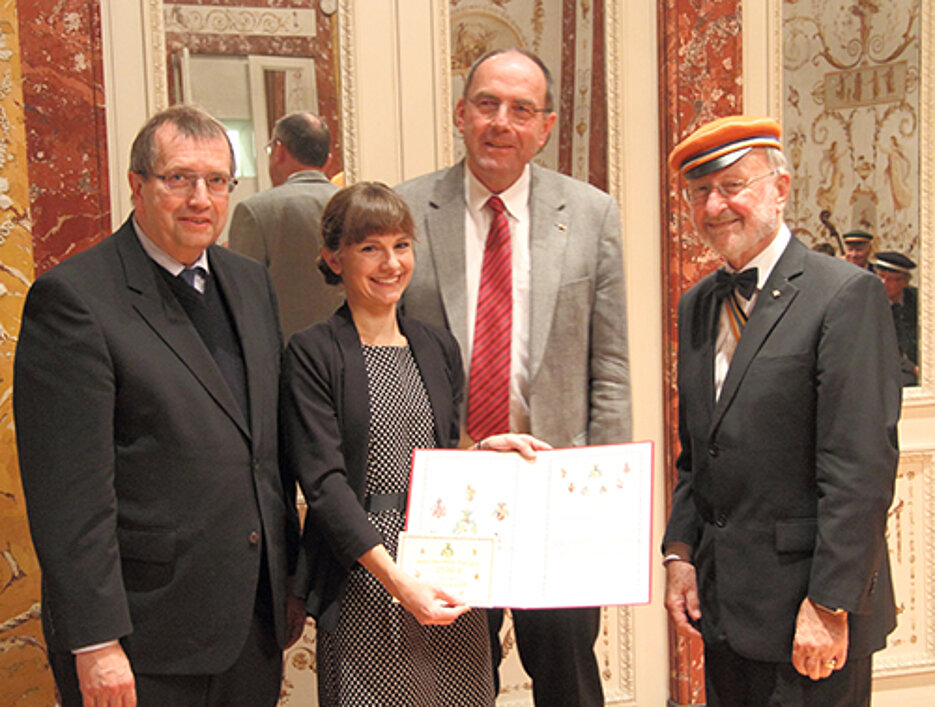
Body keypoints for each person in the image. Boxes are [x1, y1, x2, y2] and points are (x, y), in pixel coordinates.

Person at [14, 105, 302, 707]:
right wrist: (95, 642)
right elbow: (69, 497)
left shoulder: (249, 283)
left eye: (217, 180)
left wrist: (289, 582)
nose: (201, 198)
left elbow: (269, 452)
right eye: (179, 178)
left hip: (250, 626)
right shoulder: (74, 300)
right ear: (137, 186)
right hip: (143, 640)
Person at [397, 48, 631, 707]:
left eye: (520, 109)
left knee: (568, 677)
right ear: (460, 113)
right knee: (454, 677)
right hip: (452, 486)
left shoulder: (591, 214)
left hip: (556, 487)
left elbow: (608, 367)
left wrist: (608, 505)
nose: (501, 121)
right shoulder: (408, 209)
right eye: (487, 104)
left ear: (545, 125)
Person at [280, 182, 550, 706]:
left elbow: (436, 468)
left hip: (444, 563)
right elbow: (325, 485)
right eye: (369, 248)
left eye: (401, 245)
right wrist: (397, 581)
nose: (391, 263)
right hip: (364, 572)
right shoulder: (312, 352)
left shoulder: (435, 345)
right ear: (333, 259)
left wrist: (484, 456)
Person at [663, 115, 901, 706]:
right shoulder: (696, 305)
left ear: (781, 187)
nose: (715, 205)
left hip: (809, 611)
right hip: (723, 609)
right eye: (700, 192)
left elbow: (860, 470)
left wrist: (829, 606)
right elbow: (698, 453)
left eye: (733, 185)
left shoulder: (845, 295)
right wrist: (681, 554)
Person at [229, 111, 341, 339]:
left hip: (284, 359)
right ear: (328, 160)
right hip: (353, 355)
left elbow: (239, 301)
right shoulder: (356, 207)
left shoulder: (255, 212)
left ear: (278, 150)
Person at [872, 251, 919, 385]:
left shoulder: (917, 300)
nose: (883, 283)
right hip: (885, 368)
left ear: (905, 282)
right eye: (881, 277)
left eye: (891, 279)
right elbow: (879, 347)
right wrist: (911, 368)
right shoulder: (869, 303)